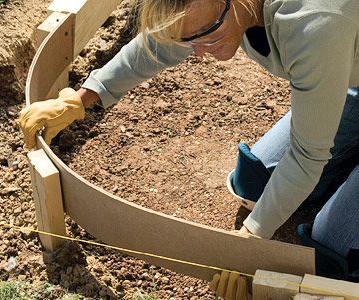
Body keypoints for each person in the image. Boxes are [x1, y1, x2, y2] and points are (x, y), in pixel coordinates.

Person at [19, 0, 359, 297]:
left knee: (334, 251)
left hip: (335, 51)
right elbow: (164, 42)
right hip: (348, 77)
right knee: (254, 184)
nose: (197, 52)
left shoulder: (314, 23)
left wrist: (249, 243)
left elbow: (306, 156)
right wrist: (82, 99)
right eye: (189, 40)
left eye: (208, 35)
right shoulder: (218, 12)